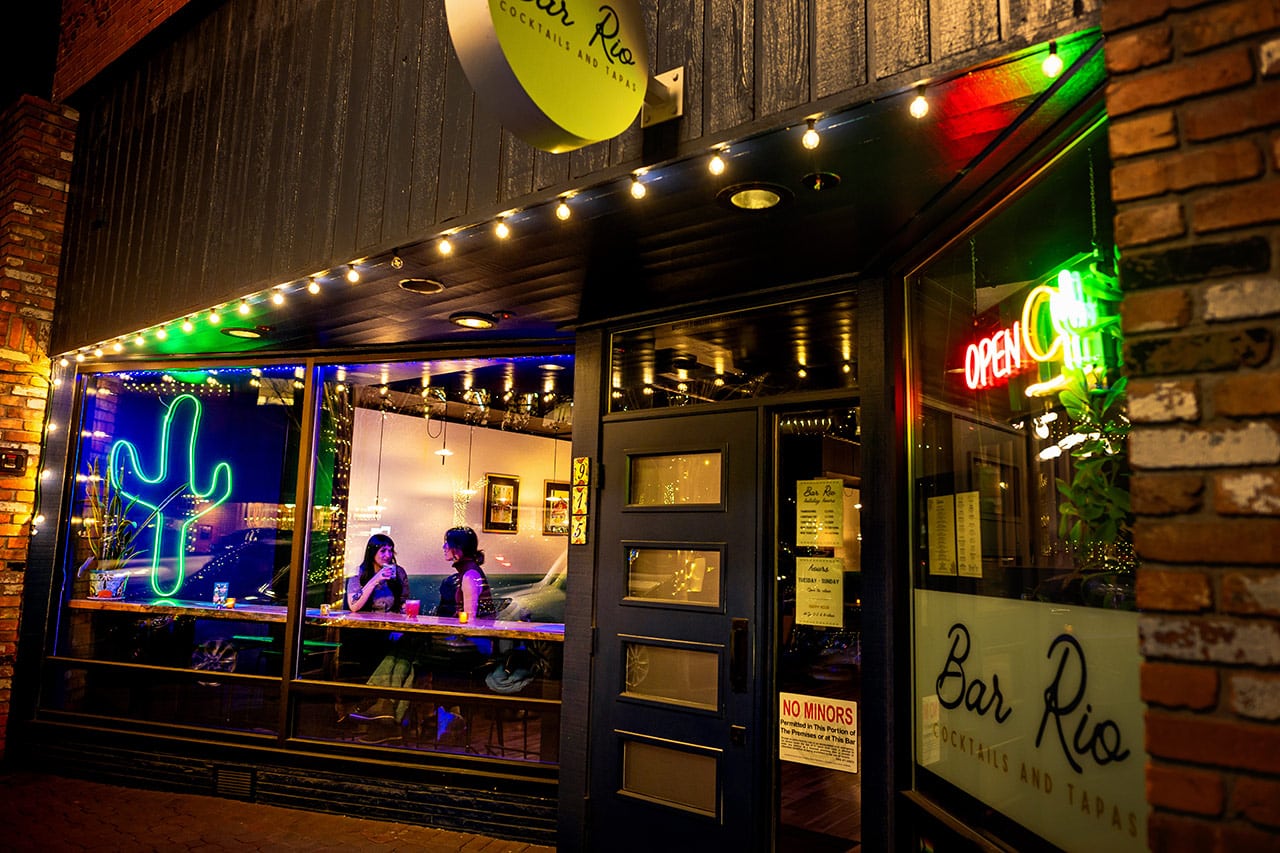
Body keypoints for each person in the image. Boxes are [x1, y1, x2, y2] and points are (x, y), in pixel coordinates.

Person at [344, 534, 414, 741]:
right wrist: (375, 580)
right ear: (371, 552)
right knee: (389, 656)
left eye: (390, 550)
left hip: (389, 631)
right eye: (383, 550)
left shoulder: (398, 573)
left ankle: (382, 710)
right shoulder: (359, 574)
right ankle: (381, 712)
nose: (387, 555)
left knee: (402, 658)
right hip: (363, 633)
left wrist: (401, 620)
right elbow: (354, 606)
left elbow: (404, 603)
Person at [443, 525, 494, 620]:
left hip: (477, 633)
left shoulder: (470, 575)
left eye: (447, 543)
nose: (444, 547)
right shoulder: (469, 570)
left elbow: (469, 619)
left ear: (459, 547)